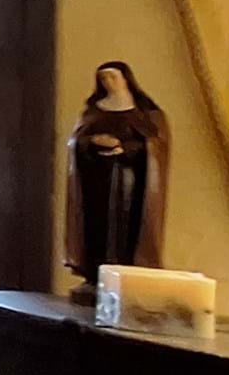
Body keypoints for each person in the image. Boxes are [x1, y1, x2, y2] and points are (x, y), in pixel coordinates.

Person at [64, 60, 168, 301]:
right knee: (97, 227)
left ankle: (126, 271)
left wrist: (124, 148)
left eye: (113, 77)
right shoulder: (94, 111)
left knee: (125, 228)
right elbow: (76, 142)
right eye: (103, 78)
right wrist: (92, 142)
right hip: (95, 181)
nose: (108, 82)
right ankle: (95, 274)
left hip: (128, 182)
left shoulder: (145, 113)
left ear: (125, 79)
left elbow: (155, 146)